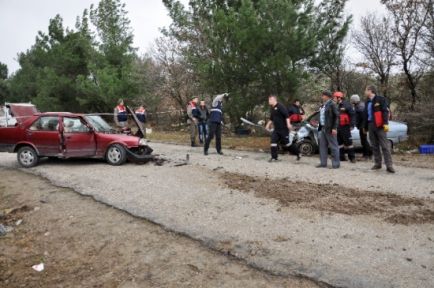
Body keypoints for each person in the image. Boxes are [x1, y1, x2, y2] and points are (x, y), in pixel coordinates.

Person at [363, 85, 395, 173]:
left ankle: (389, 165)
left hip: (380, 125)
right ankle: (378, 163)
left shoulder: (381, 99)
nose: (365, 92)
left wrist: (385, 123)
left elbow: (385, 111)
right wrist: (365, 127)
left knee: (385, 146)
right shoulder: (367, 102)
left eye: (366, 90)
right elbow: (365, 115)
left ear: (370, 91)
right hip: (370, 125)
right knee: (374, 145)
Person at [265, 95, 301, 162]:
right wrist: (267, 125)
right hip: (276, 129)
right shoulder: (272, 108)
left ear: (274, 100)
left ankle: (298, 153)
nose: (269, 101)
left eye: (270, 100)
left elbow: (287, 116)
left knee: (287, 144)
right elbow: (271, 118)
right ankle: (274, 158)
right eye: (268, 100)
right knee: (273, 142)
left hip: (283, 129)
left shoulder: (280, 106)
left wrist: (288, 124)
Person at [317, 90, 340, 169]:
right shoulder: (323, 105)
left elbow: (337, 117)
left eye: (323, 95)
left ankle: (336, 164)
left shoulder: (332, 104)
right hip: (323, 128)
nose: (322, 97)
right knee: (322, 146)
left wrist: (334, 128)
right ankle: (323, 163)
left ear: (327, 96)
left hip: (330, 128)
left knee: (334, 146)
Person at [334, 91, 356, 163]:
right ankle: (341, 157)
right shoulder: (336, 105)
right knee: (339, 143)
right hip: (338, 127)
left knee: (348, 142)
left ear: (339, 98)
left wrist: (352, 125)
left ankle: (352, 158)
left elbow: (352, 115)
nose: (334, 99)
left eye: (335, 97)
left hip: (345, 127)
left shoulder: (347, 104)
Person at [350, 94, 372, 160]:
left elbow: (363, 118)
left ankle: (367, 154)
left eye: (352, 100)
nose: (351, 102)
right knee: (363, 140)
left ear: (354, 100)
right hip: (361, 126)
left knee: (364, 140)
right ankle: (367, 154)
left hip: (363, 127)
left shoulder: (360, 107)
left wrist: (363, 127)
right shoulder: (359, 105)